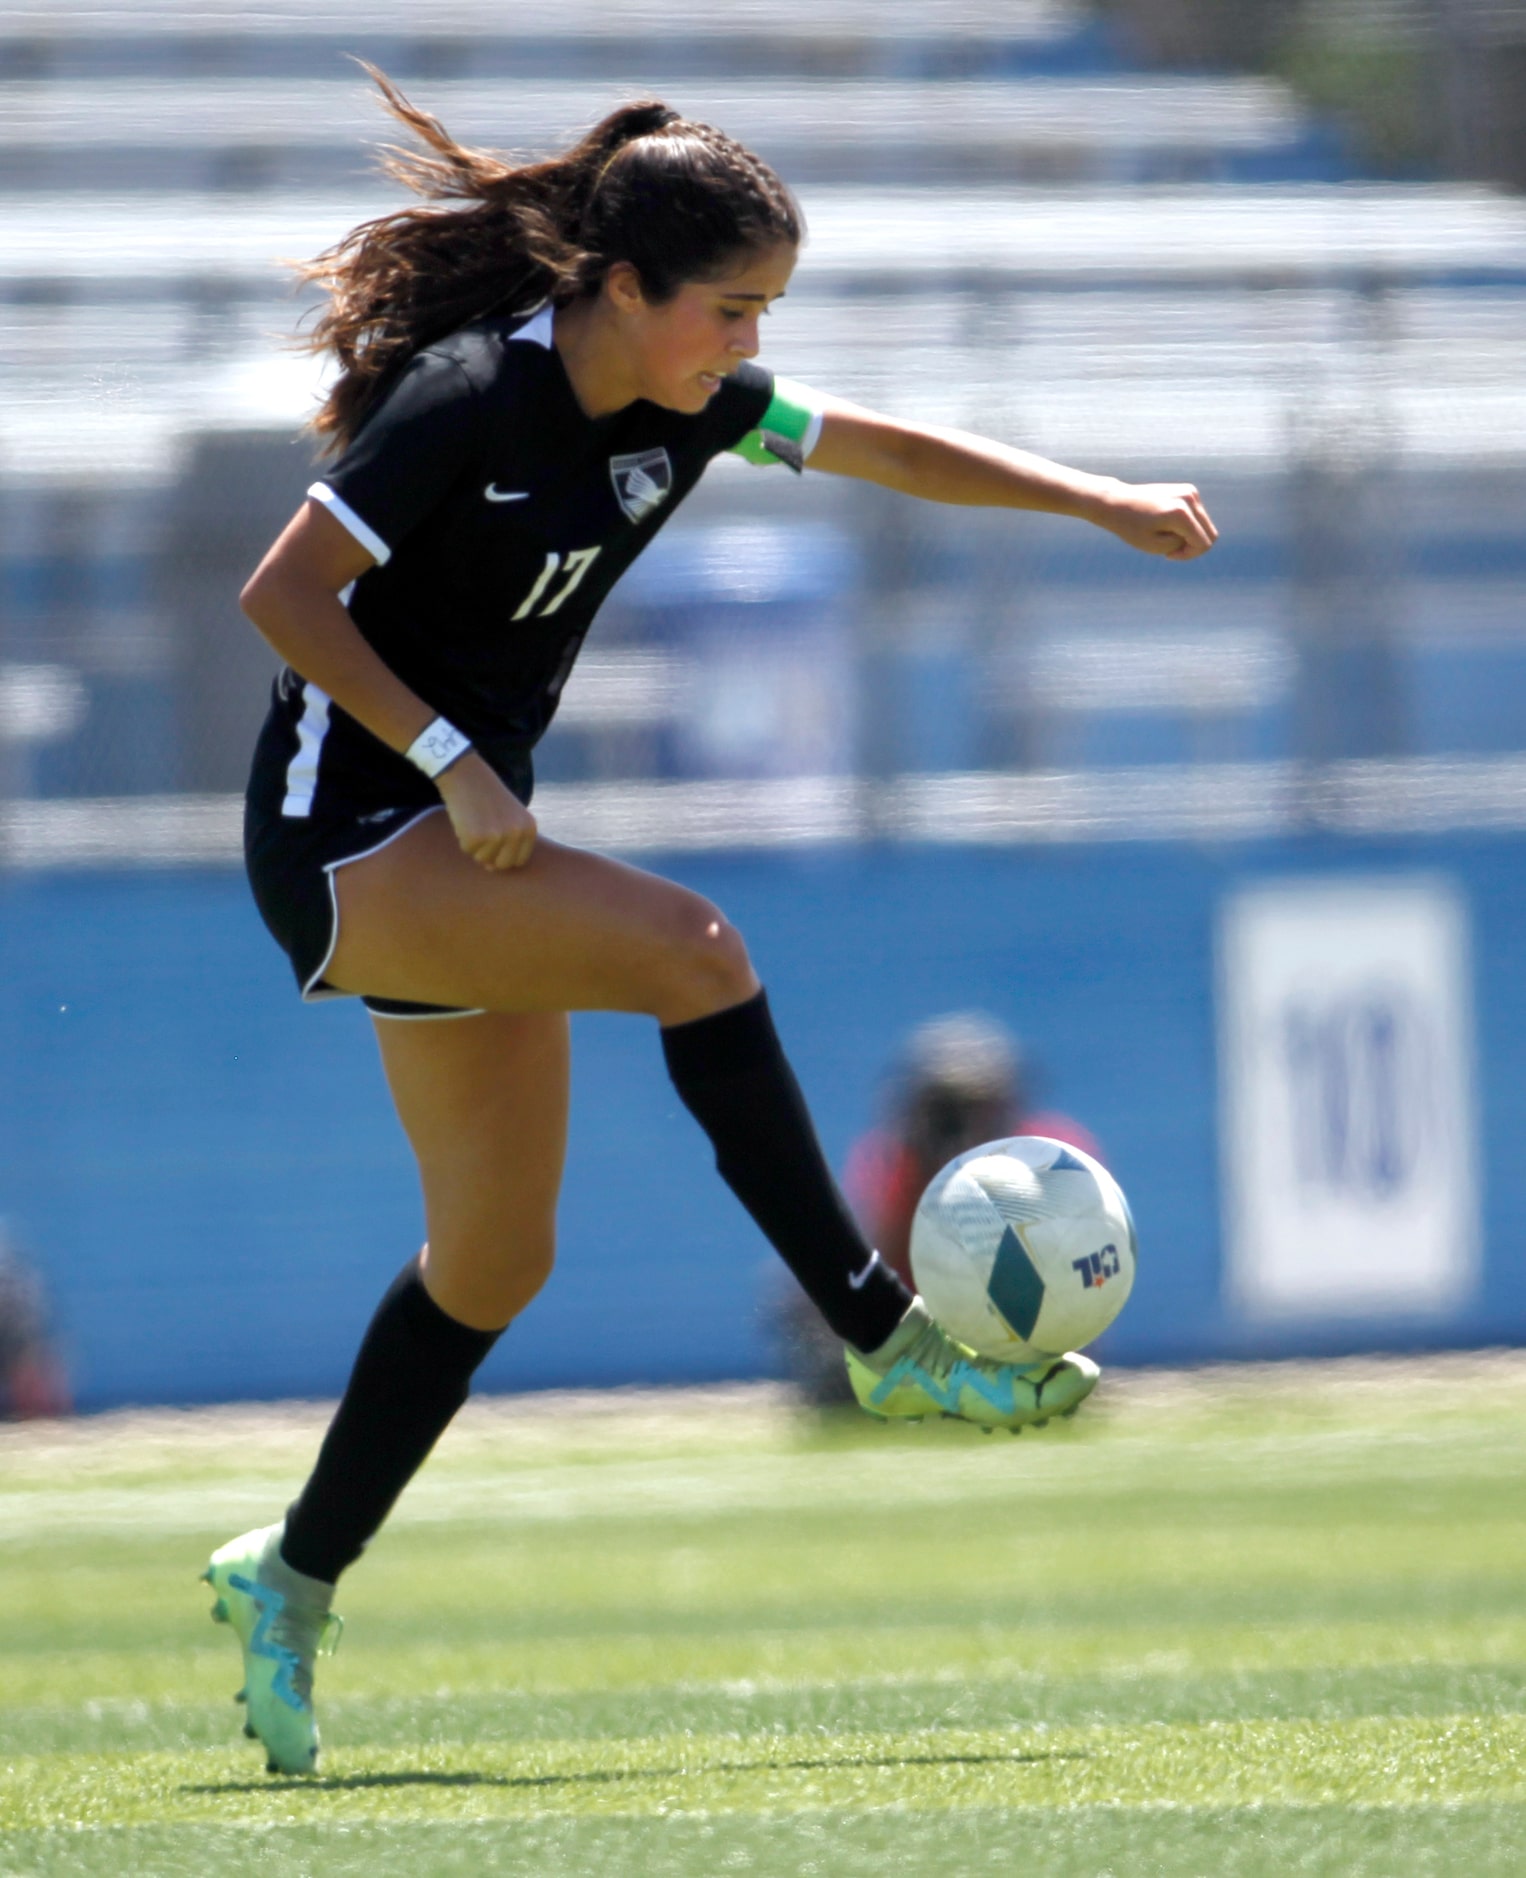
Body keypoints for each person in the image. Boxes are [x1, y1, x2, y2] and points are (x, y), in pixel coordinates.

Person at [203, 71, 1219, 1777]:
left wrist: (1095, 495)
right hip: (343, 837)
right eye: (729, 308)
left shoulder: (693, 405)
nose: (745, 344)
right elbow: (280, 594)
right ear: (618, 286)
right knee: (695, 952)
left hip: (459, 850)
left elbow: (881, 447)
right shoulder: (467, 396)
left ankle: (287, 1576)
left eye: (767, 314)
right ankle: (880, 1333)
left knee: (494, 1260)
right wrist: (454, 757)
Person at [776, 1012, 1103, 1404]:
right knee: (801, 1292)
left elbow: (1077, 1266)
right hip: (923, 1324)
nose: (960, 1121)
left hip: (1023, 1321)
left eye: (976, 1106)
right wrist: (928, 1171)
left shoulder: (1053, 1152)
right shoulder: (897, 1158)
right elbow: (885, 1260)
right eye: (946, 1107)